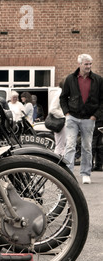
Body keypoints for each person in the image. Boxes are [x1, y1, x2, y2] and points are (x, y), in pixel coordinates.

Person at [60, 53, 103, 184]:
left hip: (89, 119)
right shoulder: (70, 79)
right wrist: (66, 113)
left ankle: (85, 173)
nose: (88, 66)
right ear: (79, 64)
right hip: (72, 117)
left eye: (90, 64)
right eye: (86, 64)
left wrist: (95, 116)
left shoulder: (98, 80)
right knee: (70, 145)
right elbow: (63, 98)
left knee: (87, 147)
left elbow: (102, 100)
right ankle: (68, 174)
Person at [48, 81, 66, 156]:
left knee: (62, 145)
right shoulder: (59, 93)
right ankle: (57, 164)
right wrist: (65, 115)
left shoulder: (61, 93)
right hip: (61, 122)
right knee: (61, 145)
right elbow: (52, 109)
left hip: (62, 122)